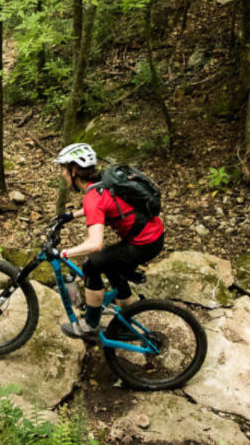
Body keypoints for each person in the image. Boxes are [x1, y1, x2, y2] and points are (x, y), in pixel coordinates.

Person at [52, 143, 165, 340]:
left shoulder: (92, 197)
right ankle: (127, 321)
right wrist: (71, 215)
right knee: (112, 267)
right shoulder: (104, 182)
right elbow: (105, 205)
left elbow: (95, 244)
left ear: (74, 170)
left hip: (143, 243)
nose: (62, 174)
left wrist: (63, 253)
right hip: (153, 235)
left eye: (64, 168)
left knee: (92, 265)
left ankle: (90, 325)